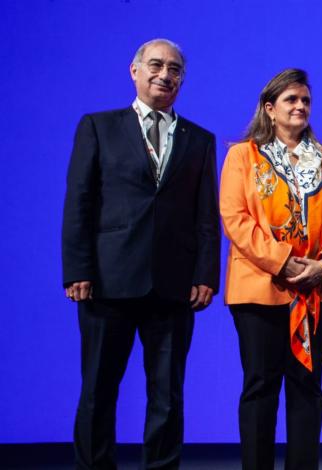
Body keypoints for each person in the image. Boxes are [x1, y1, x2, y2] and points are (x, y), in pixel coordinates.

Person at [62, 38, 220, 469]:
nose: (164, 74)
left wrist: (206, 274)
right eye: (155, 65)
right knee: (98, 390)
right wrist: (78, 268)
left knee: (167, 395)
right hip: (106, 282)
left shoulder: (200, 139)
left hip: (173, 286)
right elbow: (79, 201)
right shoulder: (98, 126)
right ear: (134, 71)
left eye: (174, 69)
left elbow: (206, 214)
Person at [219, 68, 322, 470]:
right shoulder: (242, 156)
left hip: (320, 289)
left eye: (306, 101)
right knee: (261, 385)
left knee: (307, 386)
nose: (300, 107)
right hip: (260, 289)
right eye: (291, 100)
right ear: (269, 109)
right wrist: (283, 262)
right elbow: (235, 219)